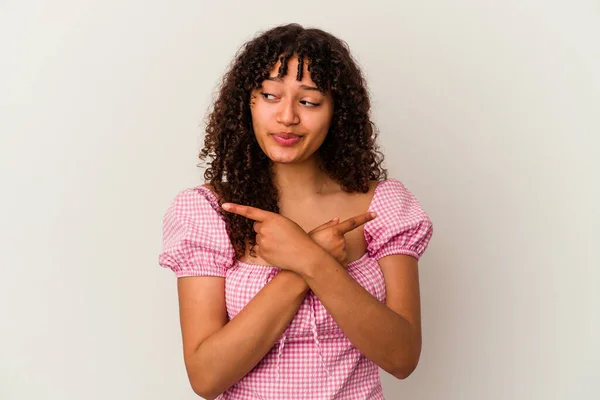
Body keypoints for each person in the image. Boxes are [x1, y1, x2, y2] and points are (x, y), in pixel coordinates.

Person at [158, 23, 433, 400]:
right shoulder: (208, 211)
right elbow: (206, 377)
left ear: (337, 112)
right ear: (247, 103)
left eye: (309, 101)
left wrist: (311, 260)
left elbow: (402, 357)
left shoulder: (382, 206)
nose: (287, 116)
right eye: (270, 95)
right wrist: (302, 264)